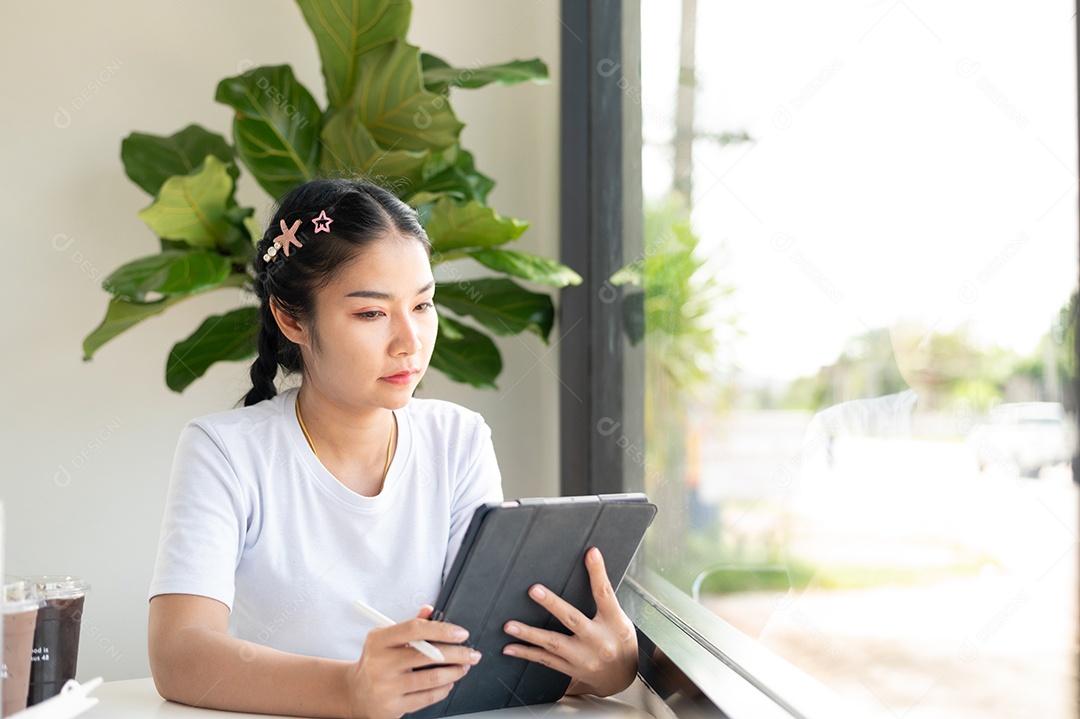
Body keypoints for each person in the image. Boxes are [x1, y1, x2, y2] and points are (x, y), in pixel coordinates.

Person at [147, 179, 638, 719]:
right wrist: (351, 689)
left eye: (423, 304)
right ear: (291, 318)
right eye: (371, 313)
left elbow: (484, 652)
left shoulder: (458, 440)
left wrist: (604, 668)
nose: (410, 341)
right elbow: (179, 654)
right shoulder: (224, 451)